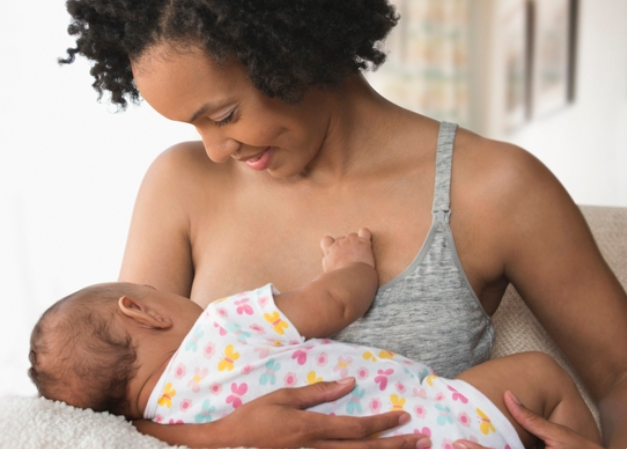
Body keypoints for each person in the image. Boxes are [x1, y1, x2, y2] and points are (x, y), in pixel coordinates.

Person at [60, 1, 627, 448]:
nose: (212, 149)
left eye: (225, 115)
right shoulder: (181, 186)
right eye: (193, 125)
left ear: (289, 51)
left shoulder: (493, 188)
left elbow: (619, 375)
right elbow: (111, 410)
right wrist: (219, 438)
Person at [28, 230, 600, 448]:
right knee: (541, 378)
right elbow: (334, 304)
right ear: (144, 312)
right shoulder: (221, 325)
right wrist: (350, 264)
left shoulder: (171, 434)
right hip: (435, 421)